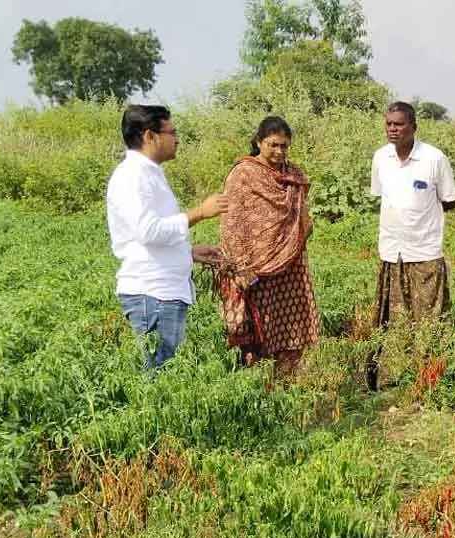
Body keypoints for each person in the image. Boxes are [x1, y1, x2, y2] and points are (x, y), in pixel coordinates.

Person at [107, 105, 226, 372]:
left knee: (164, 374)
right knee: (158, 377)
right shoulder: (133, 176)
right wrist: (200, 212)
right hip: (152, 294)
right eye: (172, 132)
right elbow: (148, 231)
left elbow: (149, 236)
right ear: (150, 136)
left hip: (162, 292)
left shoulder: (149, 173)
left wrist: (189, 253)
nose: (177, 139)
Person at [202, 116, 320, 378]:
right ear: (258, 142)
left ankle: (286, 381)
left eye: (284, 146)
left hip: (291, 263)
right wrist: (239, 265)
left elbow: (302, 215)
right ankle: (258, 383)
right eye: (272, 145)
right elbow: (233, 222)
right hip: (255, 266)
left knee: (291, 320)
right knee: (260, 324)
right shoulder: (243, 174)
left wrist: (297, 233)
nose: (279, 151)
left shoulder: (293, 175)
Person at [370, 101, 455, 326]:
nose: (392, 129)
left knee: (430, 320)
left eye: (399, 124)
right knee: (396, 322)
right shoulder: (381, 157)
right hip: (392, 250)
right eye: (389, 124)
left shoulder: (434, 158)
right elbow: (382, 196)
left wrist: (421, 218)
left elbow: (449, 201)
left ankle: (428, 351)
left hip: (424, 250)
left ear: (413, 127)